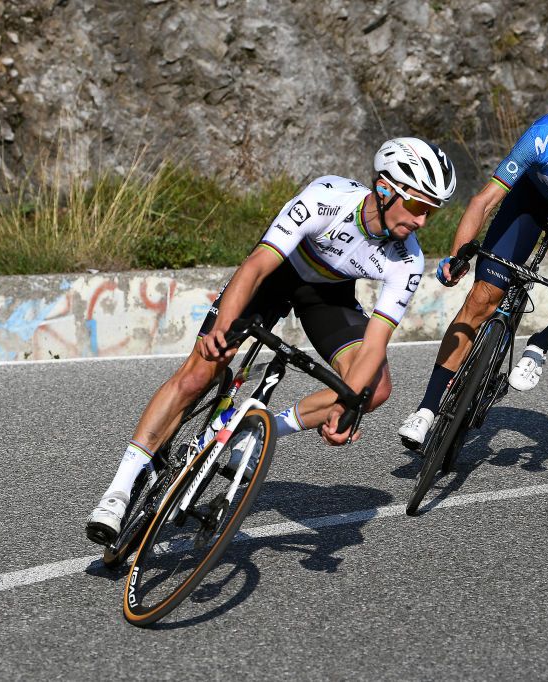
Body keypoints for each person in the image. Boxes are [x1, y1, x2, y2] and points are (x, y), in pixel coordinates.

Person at [86, 137, 457, 545]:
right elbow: (257, 266)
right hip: (278, 271)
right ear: (385, 189)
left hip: (327, 296)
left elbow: (374, 344)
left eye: (432, 212)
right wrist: (221, 329)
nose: (423, 222)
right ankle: (118, 493)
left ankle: (260, 432)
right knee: (199, 373)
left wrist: (349, 407)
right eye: (420, 206)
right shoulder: (325, 199)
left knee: (374, 389)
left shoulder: (408, 260)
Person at [398, 79, 548, 448]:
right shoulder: (542, 137)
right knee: (481, 298)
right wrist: (458, 255)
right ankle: (426, 410)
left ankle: (539, 345)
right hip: (530, 201)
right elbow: (482, 201)